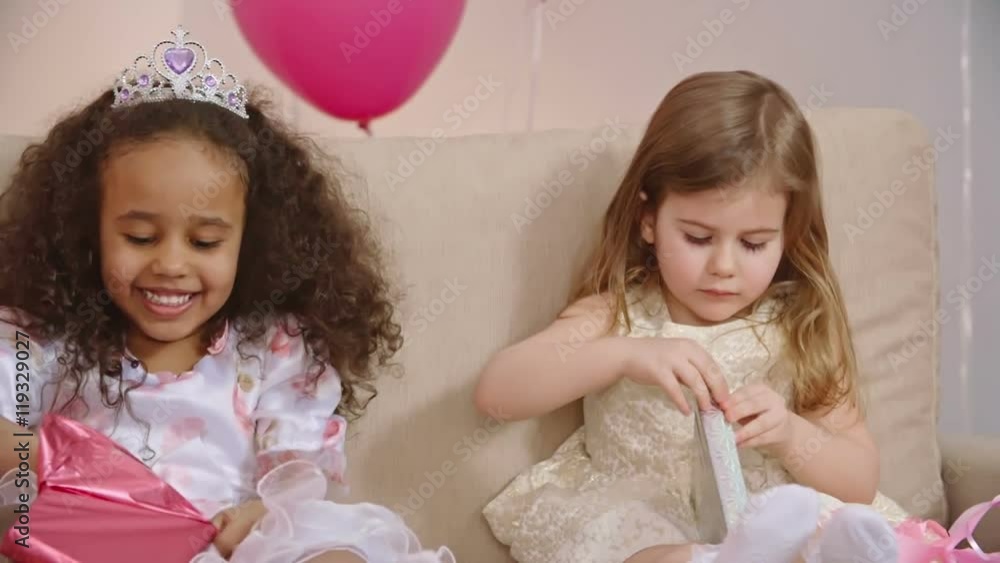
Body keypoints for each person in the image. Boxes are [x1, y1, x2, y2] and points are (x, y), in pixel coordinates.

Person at [0, 26, 454, 563]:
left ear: (251, 243)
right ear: (87, 232)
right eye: (139, 237)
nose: (171, 265)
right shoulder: (44, 339)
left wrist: (265, 511)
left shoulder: (272, 346)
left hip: (236, 544)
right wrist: (64, 471)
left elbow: (296, 466)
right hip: (102, 544)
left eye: (205, 242)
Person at [474, 70, 910, 563]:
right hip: (644, 516)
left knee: (816, 524)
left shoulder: (797, 325)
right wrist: (624, 355)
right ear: (648, 221)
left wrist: (792, 435)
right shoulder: (620, 312)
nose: (723, 266)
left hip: (766, 513)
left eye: (753, 244)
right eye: (698, 238)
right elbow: (498, 392)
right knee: (639, 545)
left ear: (787, 234)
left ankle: (809, 551)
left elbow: (859, 480)